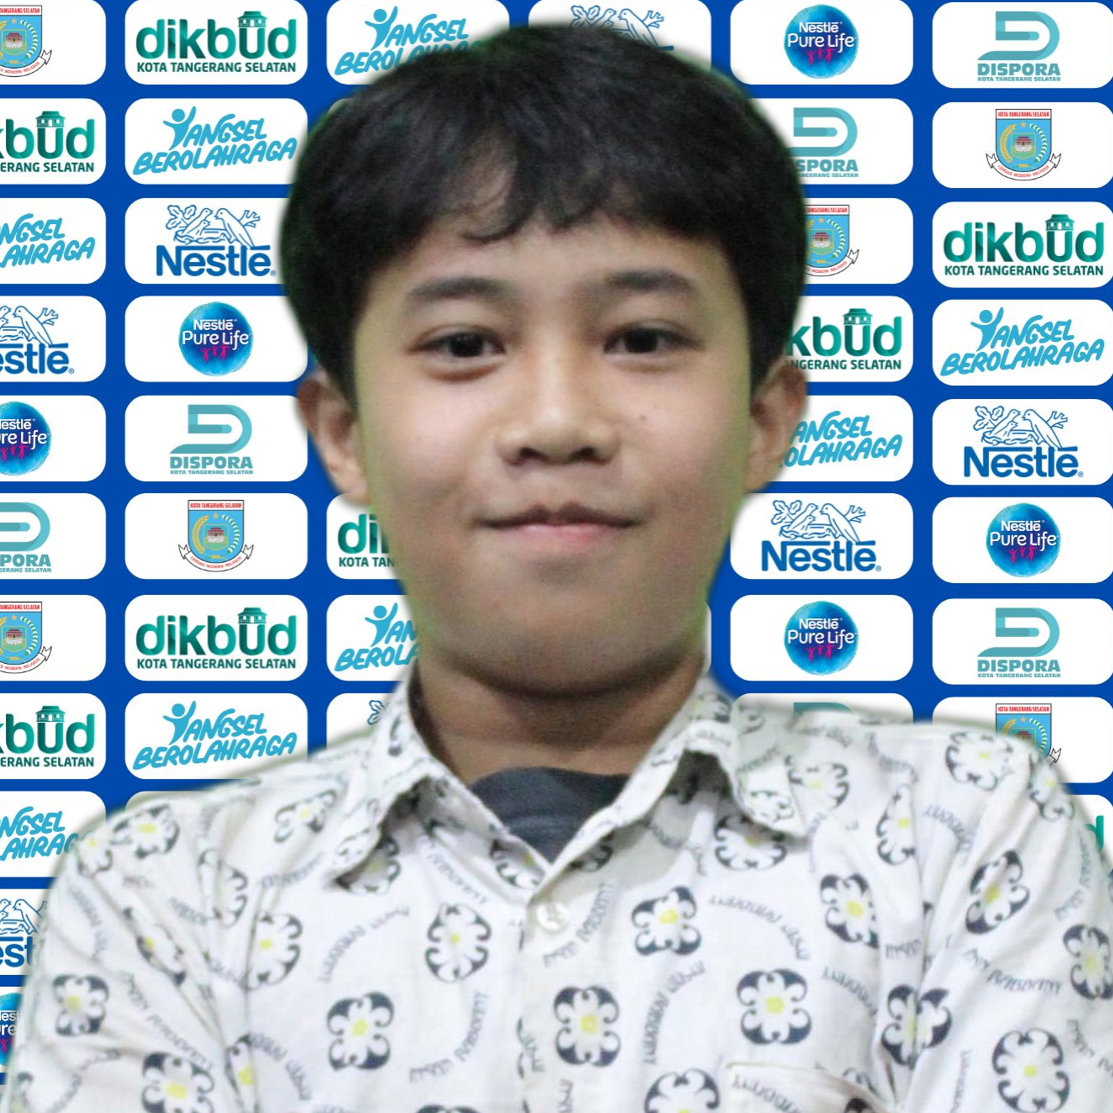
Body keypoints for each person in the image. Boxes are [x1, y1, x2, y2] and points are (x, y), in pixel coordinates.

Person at [4, 23, 1112, 1113]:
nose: (556, 422)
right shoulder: (164, 895)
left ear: (764, 420)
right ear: (344, 433)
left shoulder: (957, 834)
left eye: (641, 338)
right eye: (464, 345)